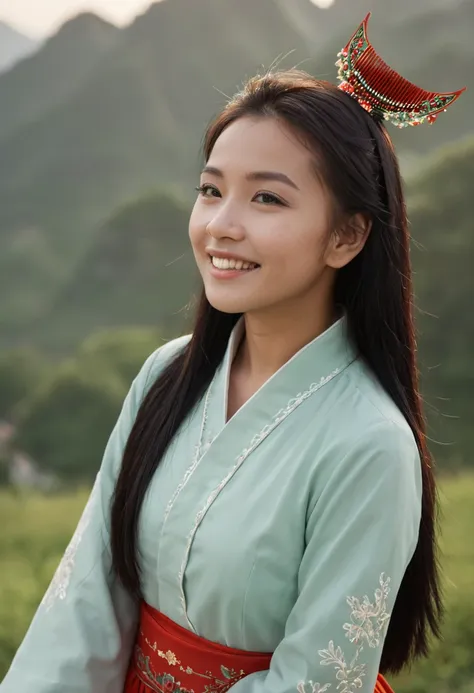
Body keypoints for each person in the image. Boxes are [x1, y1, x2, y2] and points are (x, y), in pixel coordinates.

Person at [1, 13, 465, 693]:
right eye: (212, 190)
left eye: (267, 198)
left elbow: (314, 680)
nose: (221, 224)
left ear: (346, 236)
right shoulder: (166, 375)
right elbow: (87, 600)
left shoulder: (369, 443)